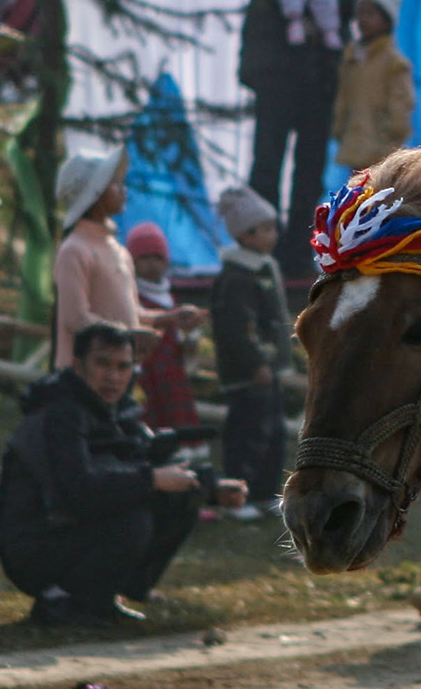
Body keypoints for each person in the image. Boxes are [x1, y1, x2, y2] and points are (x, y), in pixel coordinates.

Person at [0, 323, 246, 627]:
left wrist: (213, 487)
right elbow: (78, 489)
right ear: (78, 366)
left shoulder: (116, 409)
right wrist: (149, 480)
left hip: (70, 528)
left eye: (122, 366)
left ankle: (104, 598)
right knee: (132, 519)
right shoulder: (61, 413)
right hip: (35, 545)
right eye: (102, 364)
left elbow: (148, 458)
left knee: (182, 497)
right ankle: (61, 600)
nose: (113, 376)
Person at [238, 0, 369, 273]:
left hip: (319, 73)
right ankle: (256, 247)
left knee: (311, 165)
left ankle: (295, 253)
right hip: (274, 70)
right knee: (267, 159)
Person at [52, 146, 204, 368]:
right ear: (94, 194)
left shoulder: (118, 250)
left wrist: (169, 318)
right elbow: (75, 318)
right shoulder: (74, 249)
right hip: (82, 376)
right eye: (114, 184)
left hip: (117, 374)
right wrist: (127, 334)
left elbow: (131, 312)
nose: (124, 190)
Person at [211, 187, 290, 518]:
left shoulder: (264, 266)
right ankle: (236, 494)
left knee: (273, 433)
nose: (274, 234)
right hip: (249, 373)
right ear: (245, 233)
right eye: (266, 228)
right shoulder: (237, 276)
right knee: (246, 433)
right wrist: (256, 361)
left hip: (269, 369)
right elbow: (236, 327)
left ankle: (263, 492)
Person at [332, 0, 417, 173]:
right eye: (360, 13)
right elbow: (343, 98)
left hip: (381, 149)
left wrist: (391, 133)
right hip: (355, 144)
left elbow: (401, 103)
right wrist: (339, 128)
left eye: (370, 14)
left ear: (386, 21)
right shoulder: (352, 58)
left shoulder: (394, 63)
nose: (363, 20)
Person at [126, 222, 200, 434]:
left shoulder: (170, 297)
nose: (152, 264)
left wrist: (191, 337)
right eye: (145, 258)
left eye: (157, 258)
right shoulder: (133, 296)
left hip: (173, 375)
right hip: (147, 375)